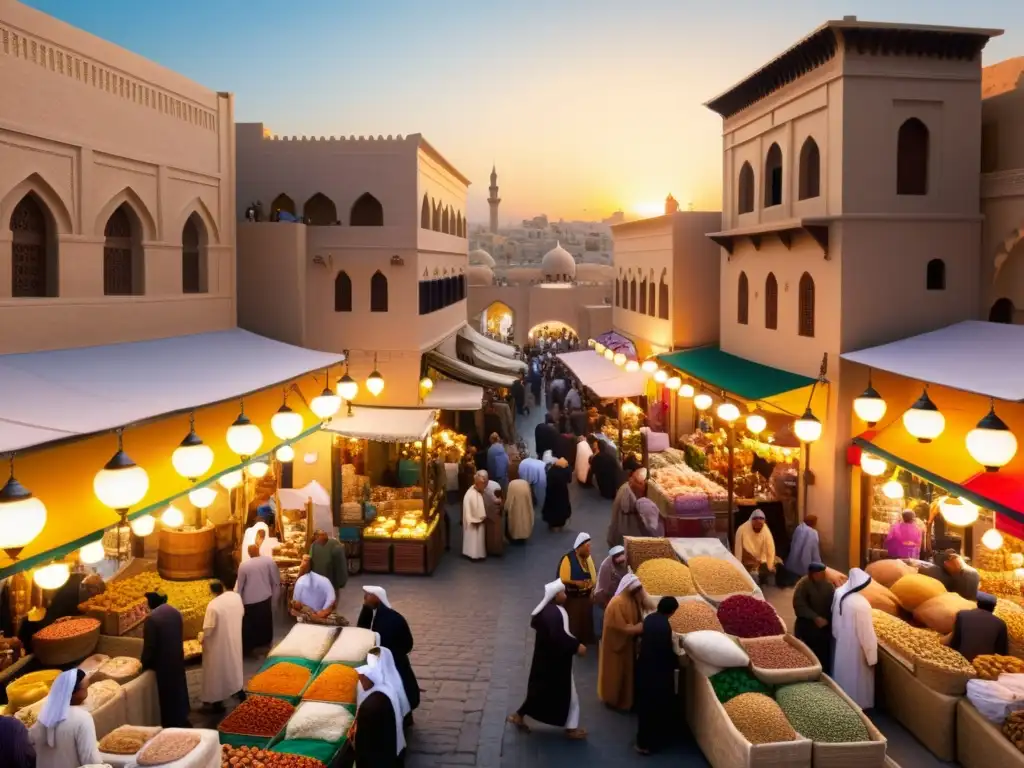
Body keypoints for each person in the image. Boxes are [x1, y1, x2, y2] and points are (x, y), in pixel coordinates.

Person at [507, 580, 587, 740]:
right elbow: (558, 636)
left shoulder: (549, 611)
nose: (565, 595)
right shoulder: (554, 613)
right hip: (556, 662)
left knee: (539, 692)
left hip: (546, 662)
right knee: (570, 695)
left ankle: (519, 715)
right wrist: (576, 646)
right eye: (562, 593)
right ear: (555, 596)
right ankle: (571, 728)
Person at [357, 586, 420, 725]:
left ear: (377, 598)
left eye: (368, 595)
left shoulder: (390, 619)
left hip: (392, 662)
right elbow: (362, 632)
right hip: (388, 660)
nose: (365, 598)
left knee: (398, 690)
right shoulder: (377, 614)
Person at [635, 597, 680, 755]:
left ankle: (641, 742)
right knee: (656, 706)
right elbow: (666, 651)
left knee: (644, 706)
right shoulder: (665, 626)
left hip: (643, 669)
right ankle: (650, 744)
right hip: (658, 672)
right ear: (672, 611)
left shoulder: (649, 619)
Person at [29, 669, 99, 768]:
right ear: (74, 692)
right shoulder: (83, 718)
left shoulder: (43, 718)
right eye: (85, 688)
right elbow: (91, 761)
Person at [598, 573, 648, 711]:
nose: (639, 592)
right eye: (637, 590)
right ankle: (612, 699)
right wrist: (639, 628)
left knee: (626, 674)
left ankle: (625, 701)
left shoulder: (632, 600)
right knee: (615, 674)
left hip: (627, 645)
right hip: (616, 646)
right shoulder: (616, 604)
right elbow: (622, 628)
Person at [141, 592, 190, 727]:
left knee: (167, 695)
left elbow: (150, 647)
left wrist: (144, 664)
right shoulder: (175, 612)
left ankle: (172, 723)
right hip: (177, 658)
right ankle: (183, 716)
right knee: (179, 688)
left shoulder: (152, 619)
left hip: (163, 664)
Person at [831, 568, 878, 709]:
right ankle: (858, 706)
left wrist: (837, 636)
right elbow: (866, 633)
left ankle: (842, 702)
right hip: (857, 648)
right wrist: (872, 656)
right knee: (857, 680)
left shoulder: (839, 593)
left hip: (842, 642)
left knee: (843, 673)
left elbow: (834, 618)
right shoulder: (861, 604)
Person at [201, 577, 245, 711]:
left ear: (211, 592)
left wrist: (202, 637)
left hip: (217, 645)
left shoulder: (213, 605)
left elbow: (208, 628)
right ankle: (238, 691)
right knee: (233, 667)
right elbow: (242, 613)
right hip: (234, 638)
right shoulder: (236, 598)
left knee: (216, 672)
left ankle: (216, 702)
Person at [353, 663, 405, 768]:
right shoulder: (362, 688)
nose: (362, 681)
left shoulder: (382, 697)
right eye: (360, 677)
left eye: (364, 678)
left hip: (379, 735)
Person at [236, 542, 280, 655]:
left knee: (251, 624)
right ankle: (265, 644)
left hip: (249, 600)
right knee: (264, 622)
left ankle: (251, 648)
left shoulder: (244, 565)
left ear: (249, 553)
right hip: (265, 597)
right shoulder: (268, 561)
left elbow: (240, 586)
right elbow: (275, 580)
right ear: (258, 551)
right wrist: (275, 596)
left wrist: (238, 600)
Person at [792, 562, 835, 671]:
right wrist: (814, 617)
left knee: (824, 656)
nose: (821, 576)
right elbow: (799, 604)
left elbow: (833, 603)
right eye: (818, 574)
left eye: (822, 573)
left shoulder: (829, 585)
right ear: (812, 574)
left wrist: (828, 619)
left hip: (824, 628)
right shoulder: (803, 584)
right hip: (807, 626)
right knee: (807, 654)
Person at [944, 592, 1008, 662]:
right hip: (984, 664)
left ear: (977, 603)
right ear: (993, 607)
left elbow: (955, 640)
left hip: (961, 660)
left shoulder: (962, 614)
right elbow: (1001, 652)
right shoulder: (1001, 624)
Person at [559, 533, 598, 645]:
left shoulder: (588, 559)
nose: (589, 549)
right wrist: (576, 583)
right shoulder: (568, 559)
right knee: (574, 622)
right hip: (573, 598)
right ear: (580, 547)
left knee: (585, 621)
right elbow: (563, 578)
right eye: (587, 546)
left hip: (586, 597)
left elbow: (593, 575)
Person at [291, 555, 342, 624]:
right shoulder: (302, 581)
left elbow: (331, 602)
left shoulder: (324, 582)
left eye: (305, 561)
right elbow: (295, 605)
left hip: (319, 617)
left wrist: (321, 614)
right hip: (311, 618)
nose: (302, 564)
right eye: (303, 561)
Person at [734, 509, 778, 586]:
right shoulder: (742, 530)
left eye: (760, 525)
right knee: (753, 576)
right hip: (747, 558)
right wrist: (738, 568)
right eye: (756, 524)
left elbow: (770, 549)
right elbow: (738, 550)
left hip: (761, 559)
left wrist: (770, 566)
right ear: (752, 522)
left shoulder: (765, 530)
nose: (758, 528)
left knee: (774, 568)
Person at [310, 529, 348, 609]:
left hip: (320, 583)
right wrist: (342, 582)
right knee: (331, 604)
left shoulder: (313, 546)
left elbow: (310, 563)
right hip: (331, 583)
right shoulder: (335, 546)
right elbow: (341, 566)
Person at [607, 470, 647, 547]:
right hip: (622, 540)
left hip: (616, 534)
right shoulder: (629, 499)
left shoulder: (626, 486)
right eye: (642, 485)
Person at [785, 515, 822, 584]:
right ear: (813, 523)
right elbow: (814, 552)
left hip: (792, 564)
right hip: (805, 564)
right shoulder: (813, 533)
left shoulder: (799, 528)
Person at [461, 470, 488, 561]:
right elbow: (468, 510)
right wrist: (474, 519)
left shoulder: (478, 491)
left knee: (478, 537)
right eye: (483, 484)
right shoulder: (470, 494)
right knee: (472, 537)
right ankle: (472, 554)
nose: (484, 486)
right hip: (473, 521)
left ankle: (479, 554)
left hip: (478, 520)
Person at [542, 456, 573, 531]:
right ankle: (560, 524)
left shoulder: (551, 471)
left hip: (551, 493)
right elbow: (569, 480)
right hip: (562, 494)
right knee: (562, 508)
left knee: (551, 507)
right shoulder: (565, 472)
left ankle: (552, 524)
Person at [505, 479, 535, 543]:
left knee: (515, 522)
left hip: (514, 508)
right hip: (525, 506)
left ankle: (515, 536)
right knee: (524, 519)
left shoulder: (512, 484)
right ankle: (524, 535)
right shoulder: (525, 483)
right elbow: (529, 498)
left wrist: (506, 508)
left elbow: (509, 501)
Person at [483, 480, 505, 557]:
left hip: (491, 513)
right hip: (494, 514)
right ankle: (495, 548)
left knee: (491, 531)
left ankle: (492, 548)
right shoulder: (496, 485)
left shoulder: (492, 487)